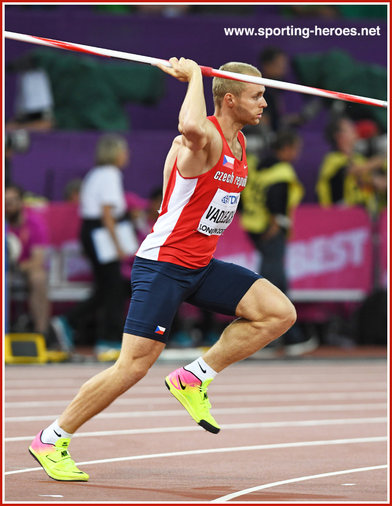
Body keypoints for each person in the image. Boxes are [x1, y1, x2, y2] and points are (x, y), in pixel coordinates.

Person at [28, 57, 296, 482]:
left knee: (278, 312)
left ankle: (194, 377)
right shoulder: (202, 136)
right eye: (257, 95)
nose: (265, 103)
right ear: (229, 99)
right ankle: (52, 437)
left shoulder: (240, 143)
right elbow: (190, 128)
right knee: (131, 367)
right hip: (164, 265)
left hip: (199, 265)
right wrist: (192, 77)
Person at [51, 135, 134, 361]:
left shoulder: (96, 174)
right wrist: (117, 245)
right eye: (123, 150)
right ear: (114, 153)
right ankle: (107, 339)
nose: (127, 155)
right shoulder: (109, 174)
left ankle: (67, 320)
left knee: (107, 287)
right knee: (114, 287)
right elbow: (107, 213)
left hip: (92, 232)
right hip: (101, 233)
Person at [240, 130, 316, 355]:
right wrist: (275, 226)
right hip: (270, 231)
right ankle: (281, 338)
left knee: (273, 283)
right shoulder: (281, 171)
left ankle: (282, 338)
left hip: (253, 227)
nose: (297, 154)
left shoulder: (257, 165)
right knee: (273, 286)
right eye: (296, 149)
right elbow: (276, 200)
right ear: (286, 148)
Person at [5, 184, 51, 336]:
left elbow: (37, 260)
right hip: (5, 269)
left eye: (11, 202)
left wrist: (17, 267)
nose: (8, 206)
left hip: (24, 267)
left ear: (20, 202)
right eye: (5, 202)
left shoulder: (34, 223)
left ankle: (41, 333)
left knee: (38, 277)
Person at [316, 115, 386, 214]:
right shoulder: (332, 159)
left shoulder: (360, 159)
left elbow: (375, 182)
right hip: (338, 217)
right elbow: (351, 170)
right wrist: (380, 160)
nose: (355, 129)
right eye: (350, 127)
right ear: (339, 136)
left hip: (365, 218)